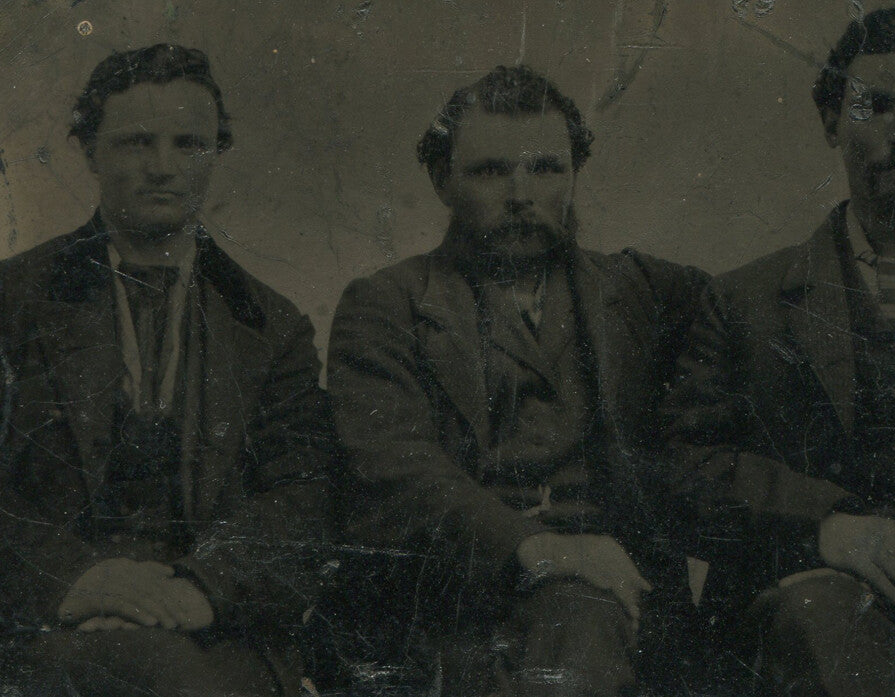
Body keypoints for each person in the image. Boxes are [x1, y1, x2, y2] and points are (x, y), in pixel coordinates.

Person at [660, 7, 895, 696]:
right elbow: (683, 470)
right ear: (830, 123)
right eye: (873, 105)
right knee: (824, 622)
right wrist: (825, 528)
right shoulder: (744, 301)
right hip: (796, 630)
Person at [325, 65, 710, 696]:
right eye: (489, 170)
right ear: (441, 179)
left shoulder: (645, 293)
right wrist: (535, 547)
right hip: (458, 606)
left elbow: (769, 325)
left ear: (575, 173)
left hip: (625, 602)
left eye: (546, 168)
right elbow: (393, 469)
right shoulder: (387, 304)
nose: (520, 193)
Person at [0, 44, 336, 696]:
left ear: (216, 152)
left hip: (214, 622)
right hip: (56, 623)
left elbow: (306, 499)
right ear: (89, 150)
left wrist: (204, 586)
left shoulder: (270, 325)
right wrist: (71, 577)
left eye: (189, 143)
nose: (162, 167)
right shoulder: (13, 303)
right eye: (135, 143)